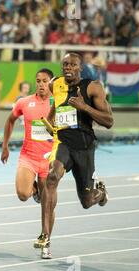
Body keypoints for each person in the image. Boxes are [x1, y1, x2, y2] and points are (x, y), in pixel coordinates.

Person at [35, 53, 114, 259]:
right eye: (64, 64)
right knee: (52, 177)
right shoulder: (55, 84)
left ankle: (101, 193)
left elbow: (109, 121)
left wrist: (85, 107)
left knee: (86, 201)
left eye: (72, 65)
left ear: (80, 67)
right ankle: (45, 235)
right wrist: (50, 122)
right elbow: (57, 106)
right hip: (63, 143)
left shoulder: (93, 87)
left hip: (85, 147)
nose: (67, 67)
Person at [1, 69, 54, 204]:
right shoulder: (24, 102)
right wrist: (5, 146)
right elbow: (10, 120)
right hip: (28, 157)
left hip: (49, 159)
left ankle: (40, 192)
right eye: (38, 81)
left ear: (51, 83)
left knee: (47, 203)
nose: (41, 84)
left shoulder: (58, 103)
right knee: (23, 195)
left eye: (45, 81)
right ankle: (34, 189)